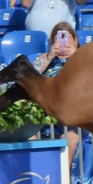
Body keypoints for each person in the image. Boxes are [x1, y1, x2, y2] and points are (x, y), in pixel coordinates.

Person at [33, 22, 80, 166]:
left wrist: (75, 57)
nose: (64, 48)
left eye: (68, 44)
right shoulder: (44, 58)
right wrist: (49, 58)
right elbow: (31, 77)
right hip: (44, 106)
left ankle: (64, 176)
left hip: (69, 109)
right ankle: (37, 171)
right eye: (60, 43)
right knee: (30, 136)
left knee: (71, 138)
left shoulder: (81, 59)